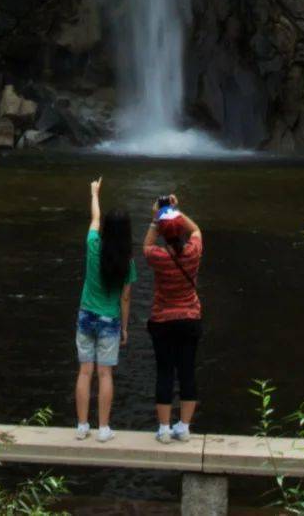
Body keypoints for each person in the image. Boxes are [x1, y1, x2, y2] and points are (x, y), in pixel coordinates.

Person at [74, 177, 136, 442]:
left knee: (85, 371)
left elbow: (94, 219)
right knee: (105, 373)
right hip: (110, 319)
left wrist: (94, 193)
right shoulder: (127, 262)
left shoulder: (92, 246)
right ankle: (103, 428)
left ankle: (81, 425)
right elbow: (125, 299)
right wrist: (124, 328)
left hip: (86, 314)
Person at [143, 192, 203, 443]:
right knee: (187, 371)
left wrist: (157, 217)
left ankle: (165, 428)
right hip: (190, 318)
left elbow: (146, 244)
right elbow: (197, 230)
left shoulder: (157, 256)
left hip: (162, 321)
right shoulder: (193, 251)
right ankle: (185, 427)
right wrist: (176, 211)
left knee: (165, 372)